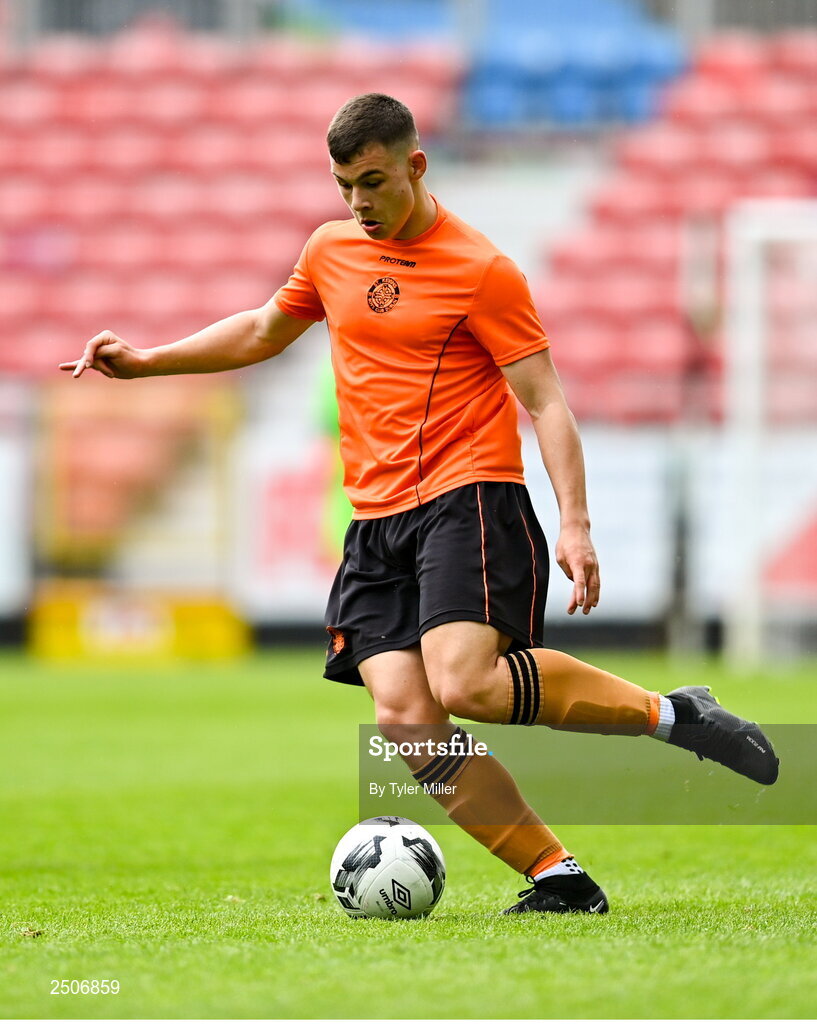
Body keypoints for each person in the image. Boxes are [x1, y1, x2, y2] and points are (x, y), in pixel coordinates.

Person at [61, 93, 778, 915]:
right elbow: (264, 329)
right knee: (405, 720)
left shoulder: (481, 268)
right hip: (375, 522)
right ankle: (558, 878)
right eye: (342, 186)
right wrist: (147, 361)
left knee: (465, 685)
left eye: (372, 181)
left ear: (415, 164)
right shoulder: (330, 250)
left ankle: (673, 716)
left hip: (467, 499)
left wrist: (575, 525)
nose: (358, 203)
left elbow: (545, 402)